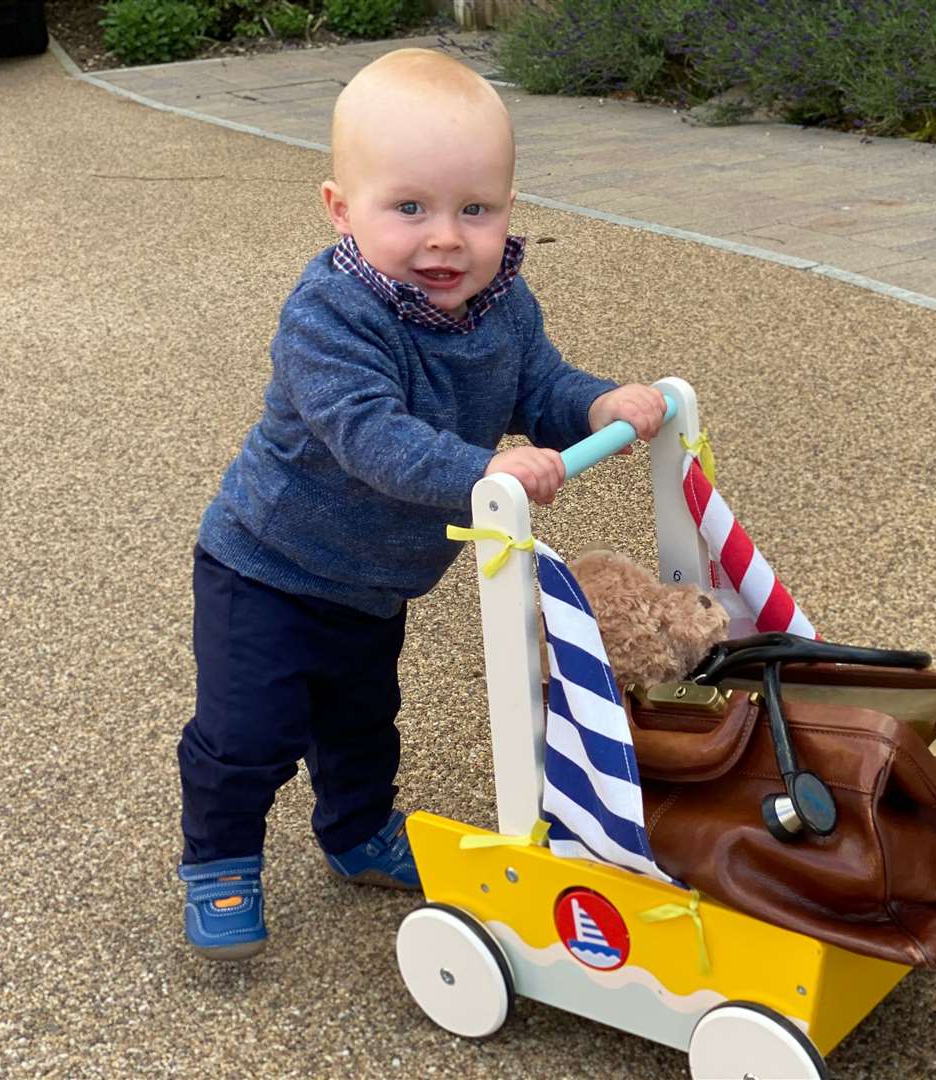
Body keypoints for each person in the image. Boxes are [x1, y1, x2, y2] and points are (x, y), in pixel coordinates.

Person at [176, 48, 665, 960]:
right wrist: (488, 467)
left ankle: (357, 831)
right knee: (250, 733)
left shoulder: (502, 305)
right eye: (410, 209)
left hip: (372, 584)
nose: (446, 239)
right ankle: (219, 861)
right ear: (340, 208)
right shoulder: (329, 316)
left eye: (474, 210)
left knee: (361, 718)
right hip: (267, 567)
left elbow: (540, 384)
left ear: (507, 211)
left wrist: (596, 405)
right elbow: (370, 435)